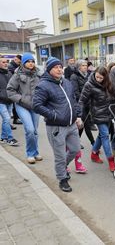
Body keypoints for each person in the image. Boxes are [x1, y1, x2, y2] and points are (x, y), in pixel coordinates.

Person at [33, 57, 83, 192]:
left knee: (75, 149)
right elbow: (37, 105)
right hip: (56, 127)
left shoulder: (66, 82)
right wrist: (54, 115)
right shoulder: (43, 85)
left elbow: (74, 100)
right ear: (49, 70)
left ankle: (62, 166)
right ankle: (62, 178)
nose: (59, 69)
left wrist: (78, 115)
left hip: (71, 124)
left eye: (61, 66)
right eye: (56, 67)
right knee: (60, 155)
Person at [80, 66, 115, 171]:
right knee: (105, 135)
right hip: (97, 114)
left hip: (109, 113)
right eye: (97, 77)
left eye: (101, 78)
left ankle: (94, 154)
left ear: (105, 77)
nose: (98, 80)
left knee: (101, 135)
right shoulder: (89, 85)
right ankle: (111, 161)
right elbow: (82, 100)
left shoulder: (109, 83)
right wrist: (79, 115)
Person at [7, 53, 42, 164]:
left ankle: (35, 152)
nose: (30, 63)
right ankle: (30, 154)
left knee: (35, 131)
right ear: (23, 63)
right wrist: (21, 99)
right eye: (28, 61)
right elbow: (10, 91)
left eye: (32, 61)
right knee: (30, 130)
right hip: (22, 105)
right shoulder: (17, 75)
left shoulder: (39, 75)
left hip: (35, 106)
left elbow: (44, 89)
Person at [70, 59, 95, 148]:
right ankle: (94, 143)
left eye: (86, 65)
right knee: (86, 124)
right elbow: (75, 91)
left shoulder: (88, 75)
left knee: (82, 124)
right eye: (83, 65)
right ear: (78, 67)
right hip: (80, 103)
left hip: (88, 103)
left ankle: (76, 141)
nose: (85, 67)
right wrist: (84, 99)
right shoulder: (74, 76)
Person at [0, 56, 18, 146]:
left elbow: (13, 87)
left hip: (10, 101)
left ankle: (3, 137)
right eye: (3, 62)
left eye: (6, 61)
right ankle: (10, 138)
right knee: (7, 119)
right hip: (1, 102)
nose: (6, 63)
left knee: (5, 120)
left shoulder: (10, 74)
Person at [8, 54, 22, 125]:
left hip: (13, 87)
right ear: (15, 59)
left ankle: (15, 118)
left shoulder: (15, 66)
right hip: (12, 88)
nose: (19, 64)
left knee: (13, 105)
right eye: (19, 62)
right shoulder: (11, 67)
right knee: (13, 105)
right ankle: (15, 119)